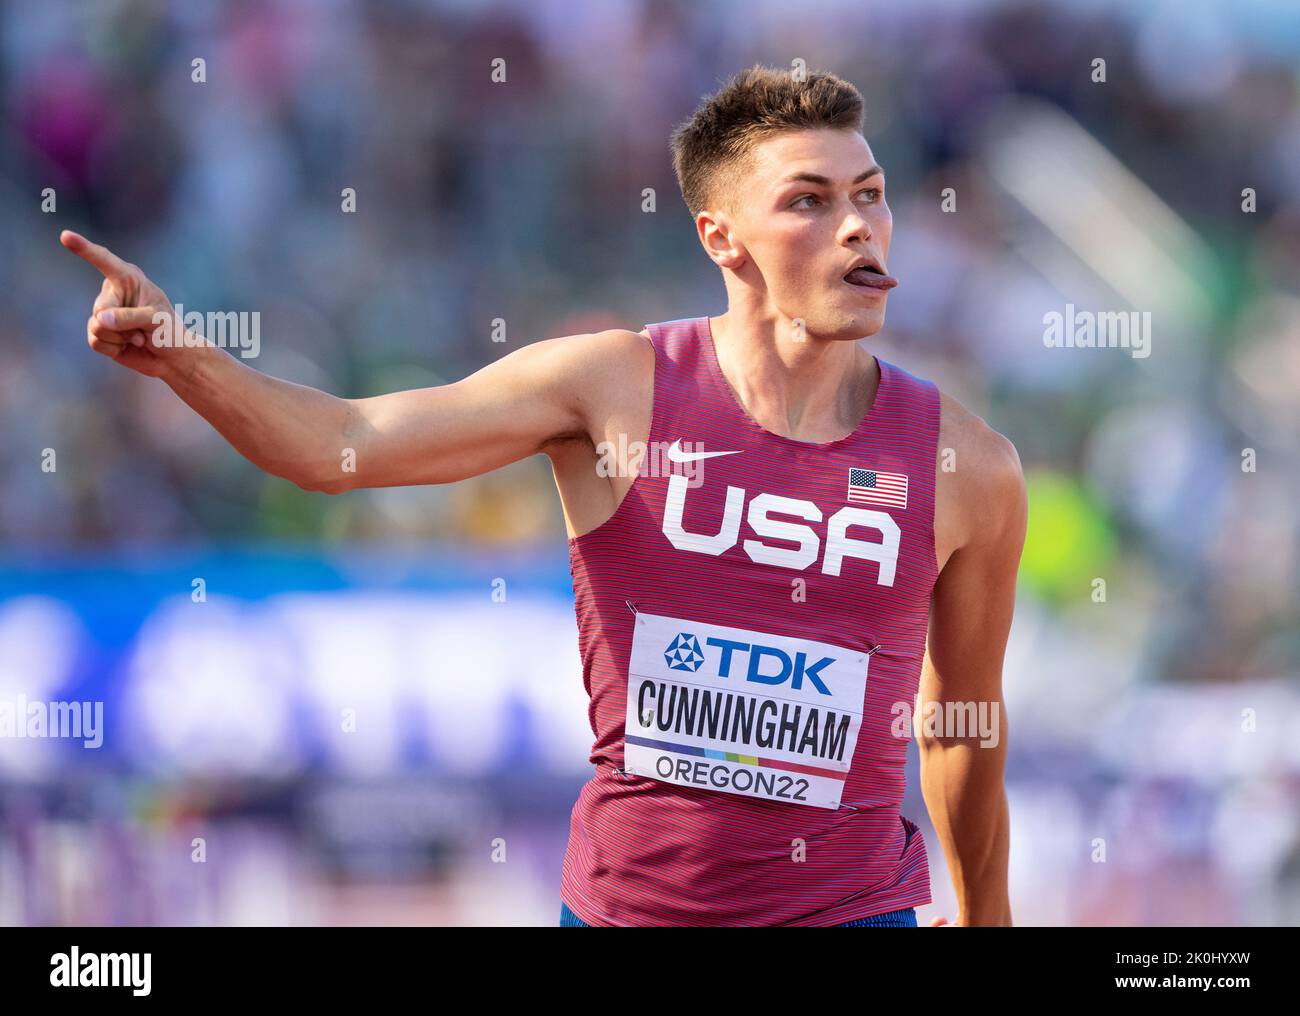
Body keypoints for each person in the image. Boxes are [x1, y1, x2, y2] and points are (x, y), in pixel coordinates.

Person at [61, 64, 1026, 927]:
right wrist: (186, 358)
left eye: (871, 194)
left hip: (851, 913)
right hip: (626, 913)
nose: (858, 224)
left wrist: (989, 920)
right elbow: (340, 447)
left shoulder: (968, 469)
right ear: (721, 238)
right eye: (809, 201)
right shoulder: (611, 388)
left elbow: (963, 722)